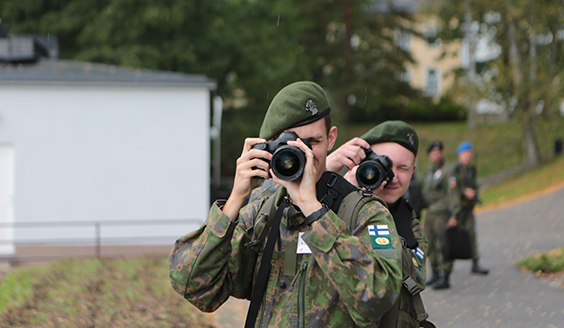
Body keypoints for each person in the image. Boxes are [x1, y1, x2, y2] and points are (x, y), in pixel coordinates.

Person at [169, 81, 403, 327]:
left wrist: (315, 211)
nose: (304, 155)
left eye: (313, 143)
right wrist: (235, 199)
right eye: (291, 146)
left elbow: (377, 298)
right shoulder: (263, 210)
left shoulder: (365, 213)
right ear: (269, 145)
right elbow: (194, 287)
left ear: (331, 138)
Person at [326, 121, 430, 326]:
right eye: (384, 166)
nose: (392, 178)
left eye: (403, 168)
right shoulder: (327, 204)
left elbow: (409, 278)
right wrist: (330, 178)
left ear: (413, 171)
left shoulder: (410, 225)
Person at [420, 140, 457, 289]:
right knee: (428, 243)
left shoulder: (448, 170)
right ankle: (435, 273)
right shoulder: (430, 170)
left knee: (444, 244)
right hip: (430, 212)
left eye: (437, 152)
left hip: (443, 213)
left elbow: (452, 194)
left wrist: (454, 214)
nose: (435, 155)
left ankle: (445, 275)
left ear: (442, 153)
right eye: (432, 152)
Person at [448, 141, 489, 277]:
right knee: (452, 238)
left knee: (471, 235)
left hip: (468, 208)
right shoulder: (454, 170)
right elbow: (452, 190)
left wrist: (474, 193)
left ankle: (475, 263)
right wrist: (463, 192)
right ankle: (446, 269)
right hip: (457, 209)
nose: (468, 156)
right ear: (460, 154)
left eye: (470, 153)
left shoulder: (471, 169)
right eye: (466, 153)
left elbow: (474, 184)